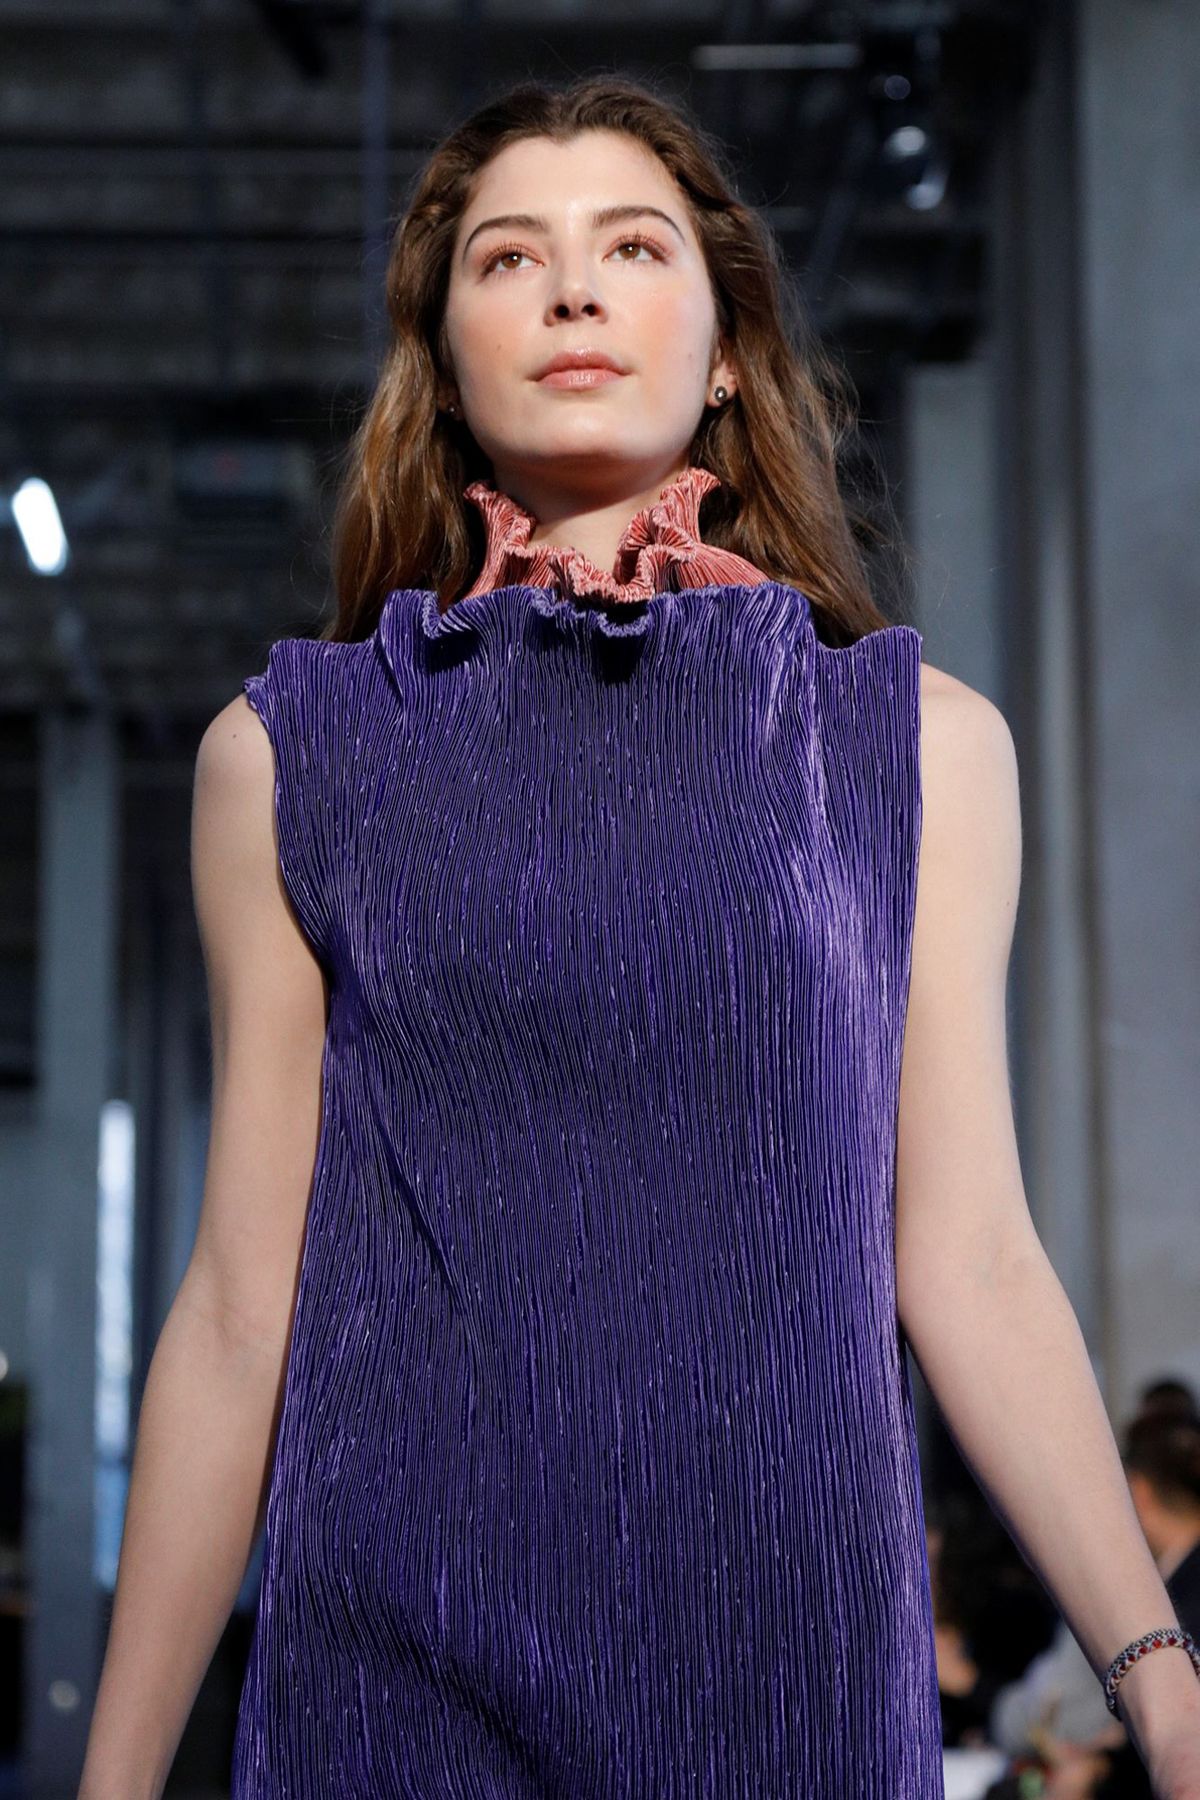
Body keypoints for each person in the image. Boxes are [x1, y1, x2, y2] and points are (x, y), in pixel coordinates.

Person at [79, 75, 1200, 1798]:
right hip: (395, 1669)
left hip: (789, 1665)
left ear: (727, 346)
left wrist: (1161, 1681)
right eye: (508, 259)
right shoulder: (294, 754)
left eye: (632, 247)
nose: (572, 292)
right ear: (444, 359)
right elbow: (240, 1305)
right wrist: (112, 1779)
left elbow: (970, 1256)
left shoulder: (912, 748)